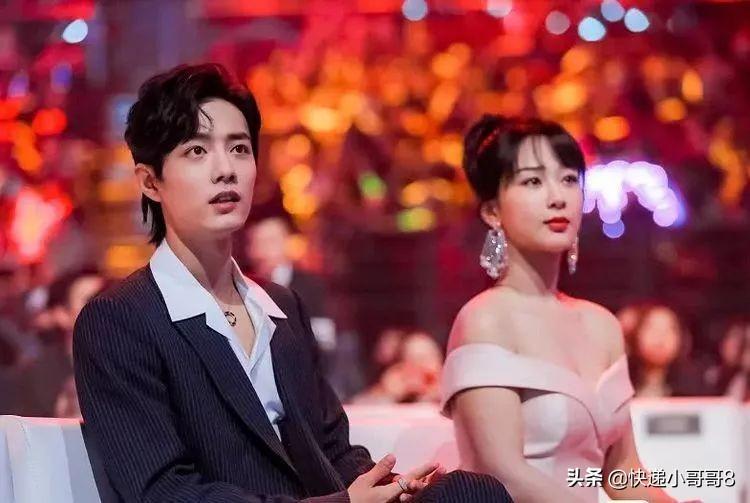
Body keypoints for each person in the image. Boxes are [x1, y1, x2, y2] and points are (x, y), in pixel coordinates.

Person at [73, 64, 512, 503]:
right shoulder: (120, 320)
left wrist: (393, 488)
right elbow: (165, 493)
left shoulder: (280, 306)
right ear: (150, 181)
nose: (225, 170)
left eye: (239, 149)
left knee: (471, 492)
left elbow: (333, 452)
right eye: (197, 151)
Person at [439, 115, 687, 502]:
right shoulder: (484, 320)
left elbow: (622, 472)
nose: (558, 197)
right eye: (533, 182)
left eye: (569, 179)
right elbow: (503, 474)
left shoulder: (602, 325)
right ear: (492, 211)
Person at [244, 215, 336, 352]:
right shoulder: (244, 288)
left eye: (270, 242)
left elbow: (325, 340)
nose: (262, 251)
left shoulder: (311, 285)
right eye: (256, 243)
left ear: (287, 243)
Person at [624, 302, 711, 398]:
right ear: (636, 335)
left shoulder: (694, 383)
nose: (660, 337)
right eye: (652, 328)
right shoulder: (622, 379)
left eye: (669, 329)